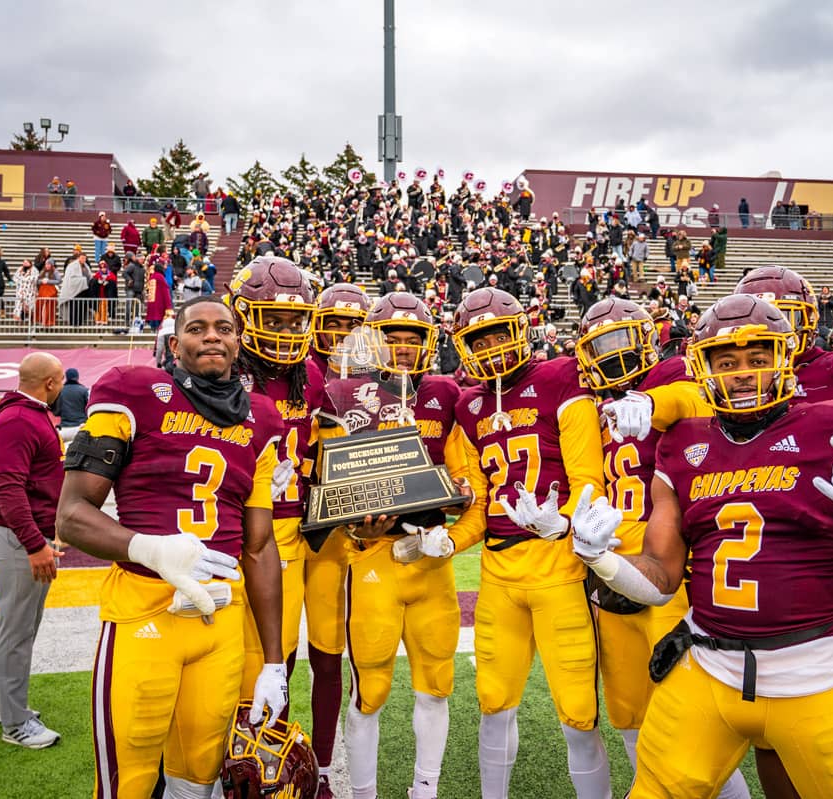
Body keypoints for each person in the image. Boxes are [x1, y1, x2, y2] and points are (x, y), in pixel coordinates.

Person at [604, 265, 833, 797]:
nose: (744, 372)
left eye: (760, 355)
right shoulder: (692, 434)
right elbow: (681, 402)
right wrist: (601, 556)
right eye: (728, 360)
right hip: (721, 642)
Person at [56, 296, 288, 797]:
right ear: (175, 342)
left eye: (223, 327)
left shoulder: (263, 419)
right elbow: (72, 515)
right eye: (197, 327)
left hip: (222, 620)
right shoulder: (133, 389)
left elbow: (261, 547)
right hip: (146, 610)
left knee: (200, 778)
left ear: (238, 341)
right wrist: (149, 548)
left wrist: (273, 661)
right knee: (129, 781)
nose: (212, 336)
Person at [573, 297, 752, 798]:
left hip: (667, 560)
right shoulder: (592, 404)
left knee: (690, 717)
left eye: (621, 340)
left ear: (646, 338)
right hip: (607, 565)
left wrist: (653, 403)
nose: (611, 355)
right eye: (600, 346)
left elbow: (694, 398)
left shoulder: (670, 376)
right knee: (629, 707)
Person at [450, 287, 612, 799]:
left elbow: (590, 479)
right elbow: (480, 502)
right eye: (480, 337)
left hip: (558, 566)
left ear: (522, 329)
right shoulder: (468, 404)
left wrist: (561, 523)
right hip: (499, 572)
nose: (493, 345)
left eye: (500, 332)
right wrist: (447, 543)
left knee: (577, 710)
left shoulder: (561, 377)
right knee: (493, 700)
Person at [321, 293, 484, 799]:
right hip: (373, 558)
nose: (405, 348)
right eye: (393, 338)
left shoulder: (443, 395)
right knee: (369, 691)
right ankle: (365, 793)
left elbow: (469, 481)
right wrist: (353, 526)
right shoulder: (345, 395)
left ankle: (425, 789)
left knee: (435, 684)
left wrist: (456, 518)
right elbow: (328, 480)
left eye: (414, 339)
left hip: (430, 559)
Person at [227, 257, 342, 797]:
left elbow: (323, 455)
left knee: (279, 661)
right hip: (228, 535)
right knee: (228, 666)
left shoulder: (312, 376)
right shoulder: (221, 368)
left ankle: (268, 772)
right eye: (272, 319)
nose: (284, 332)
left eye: (294, 322)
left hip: (289, 537)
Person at [0, 352, 67, 749]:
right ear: (49, 382)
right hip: (17, 538)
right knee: (18, 631)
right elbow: (7, 489)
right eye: (61, 379)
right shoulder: (18, 421)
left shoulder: (26, 415)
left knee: (18, 625)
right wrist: (34, 543)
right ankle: (15, 723)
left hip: (21, 535)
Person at [55, 367, 89, 435]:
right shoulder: (84, 390)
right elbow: (88, 409)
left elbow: (56, 412)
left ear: (66, 377)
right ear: (77, 377)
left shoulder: (60, 391)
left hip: (64, 429)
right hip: (81, 428)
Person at [35, 261, 60, 327]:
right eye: (46, 264)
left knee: (49, 307)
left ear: (52, 265)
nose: (47, 265)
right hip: (42, 291)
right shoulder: (43, 271)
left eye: (49, 264)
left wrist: (48, 281)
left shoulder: (55, 271)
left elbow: (59, 280)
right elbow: (37, 280)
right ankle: (40, 320)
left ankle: (49, 322)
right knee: (40, 305)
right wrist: (42, 281)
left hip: (51, 291)